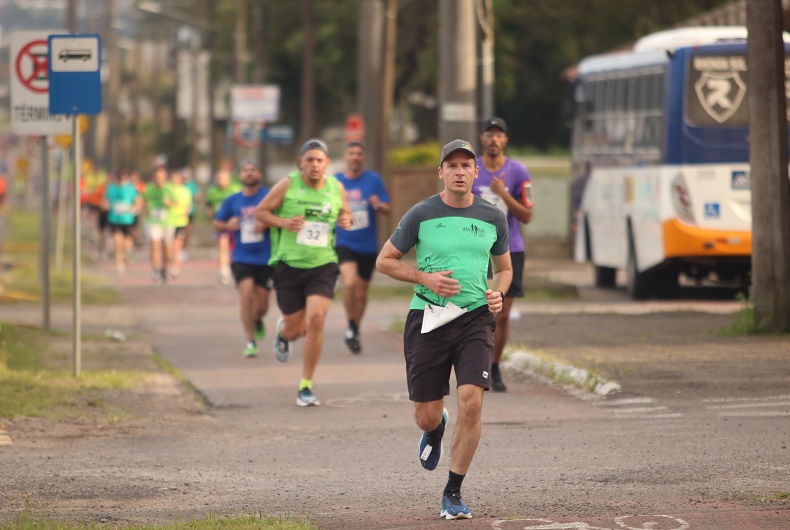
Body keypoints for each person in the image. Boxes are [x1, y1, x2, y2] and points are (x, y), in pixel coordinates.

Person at [376, 139, 511, 520]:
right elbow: (385, 261)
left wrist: (498, 293)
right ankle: (435, 429)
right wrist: (424, 278)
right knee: (426, 415)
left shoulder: (493, 216)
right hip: (429, 318)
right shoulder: (421, 213)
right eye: (452, 165)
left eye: (466, 165)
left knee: (472, 401)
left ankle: (453, 491)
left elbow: (505, 268)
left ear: (476, 172)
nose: (459, 171)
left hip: (475, 318)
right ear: (441, 172)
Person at [255, 138, 353, 407]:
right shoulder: (287, 185)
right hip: (288, 265)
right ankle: (283, 331)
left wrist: (347, 219)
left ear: (327, 163)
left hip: (323, 264)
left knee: (317, 320)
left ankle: (305, 385)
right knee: (296, 330)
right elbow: (261, 212)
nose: (314, 164)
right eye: (309, 160)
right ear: (301, 162)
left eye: (319, 160)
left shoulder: (336, 187)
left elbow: (346, 213)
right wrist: (283, 222)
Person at [473, 117, 533, 392]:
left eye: (499, 135)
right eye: (489, 134)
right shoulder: (473, 171)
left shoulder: (518, 172)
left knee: (503, 313)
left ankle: (494, 366)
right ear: (482, 138)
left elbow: (527, 215)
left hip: (511, 249)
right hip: (478, 249)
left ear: (505, 140)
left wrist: (503, 194)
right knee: (486, 311)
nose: (493, 139)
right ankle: (479, 365)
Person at [333, 141, 391, 354]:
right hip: (344, 241)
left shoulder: (373, 180)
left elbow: (387, 209)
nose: (355, 157)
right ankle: (351, 326)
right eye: (351, 153)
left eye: (358, 154)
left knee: (361, 291)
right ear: (345, 157)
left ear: (363, 158)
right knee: (349, 283)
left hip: (367, 245)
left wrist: (379, 205)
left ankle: (355, 328)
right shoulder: (335, 181)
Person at [214, 161, 272, 358]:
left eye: (253, 170)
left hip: (266, 258)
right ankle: (250, 340)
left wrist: (268, 223)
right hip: (241, 256)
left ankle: (257, 319)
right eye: (245, 171)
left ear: (259, 174)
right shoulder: (233, 200)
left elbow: (282, 219)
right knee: (246, 296)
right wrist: (227, 226)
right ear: (239, 176)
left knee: (262, 306)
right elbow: (217, 222)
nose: (249, 174)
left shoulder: (269, 196)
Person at [102, 169, 143, 274]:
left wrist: (134, 209)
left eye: (123, 178)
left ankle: (126, 255)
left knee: (126, 243)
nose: (121, 181)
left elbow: (139, 202)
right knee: (117, 241)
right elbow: (104, 202)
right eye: (119, 178)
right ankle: (118, 263)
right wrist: (106, 206)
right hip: (114, 219)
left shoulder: (131, 188)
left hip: (127, 220)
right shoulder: (111, 188)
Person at [206, 166, 242, 284]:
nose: (221, 181)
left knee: (233, 248)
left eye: (223, 178)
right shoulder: (212, 191)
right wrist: (210, 212)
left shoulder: (235, 190)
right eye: (219, 178)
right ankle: (223, 271)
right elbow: (208, 205)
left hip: (235, 224)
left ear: (229, 179)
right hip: (221, 224)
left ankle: (234, 268)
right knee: (222, 245)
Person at [142, 165, 171, 284]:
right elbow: (143, 201)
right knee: (155, 244)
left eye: (161, 177)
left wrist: (169, 203)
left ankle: (164, 268)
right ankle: (155, 269)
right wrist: (144, 208)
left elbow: (178, 203)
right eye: (157, 177)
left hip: (168, 222)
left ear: (165, 177)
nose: (159, 180)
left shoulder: (170, 188)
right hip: (152, 221)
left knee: (167, 249)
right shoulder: (148, 188)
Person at [163, 169, 193, 279]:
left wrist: (187, 212)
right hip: (168, 222)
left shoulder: (185, 191)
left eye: (177, 178)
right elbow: (165, 201)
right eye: (173, 178)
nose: (175, 180)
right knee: (168, 247)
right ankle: (165, 265)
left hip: (181, 222)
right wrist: (172, 203)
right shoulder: (167, 189)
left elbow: (189, 204)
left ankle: (176, 268)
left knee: (178, 246)